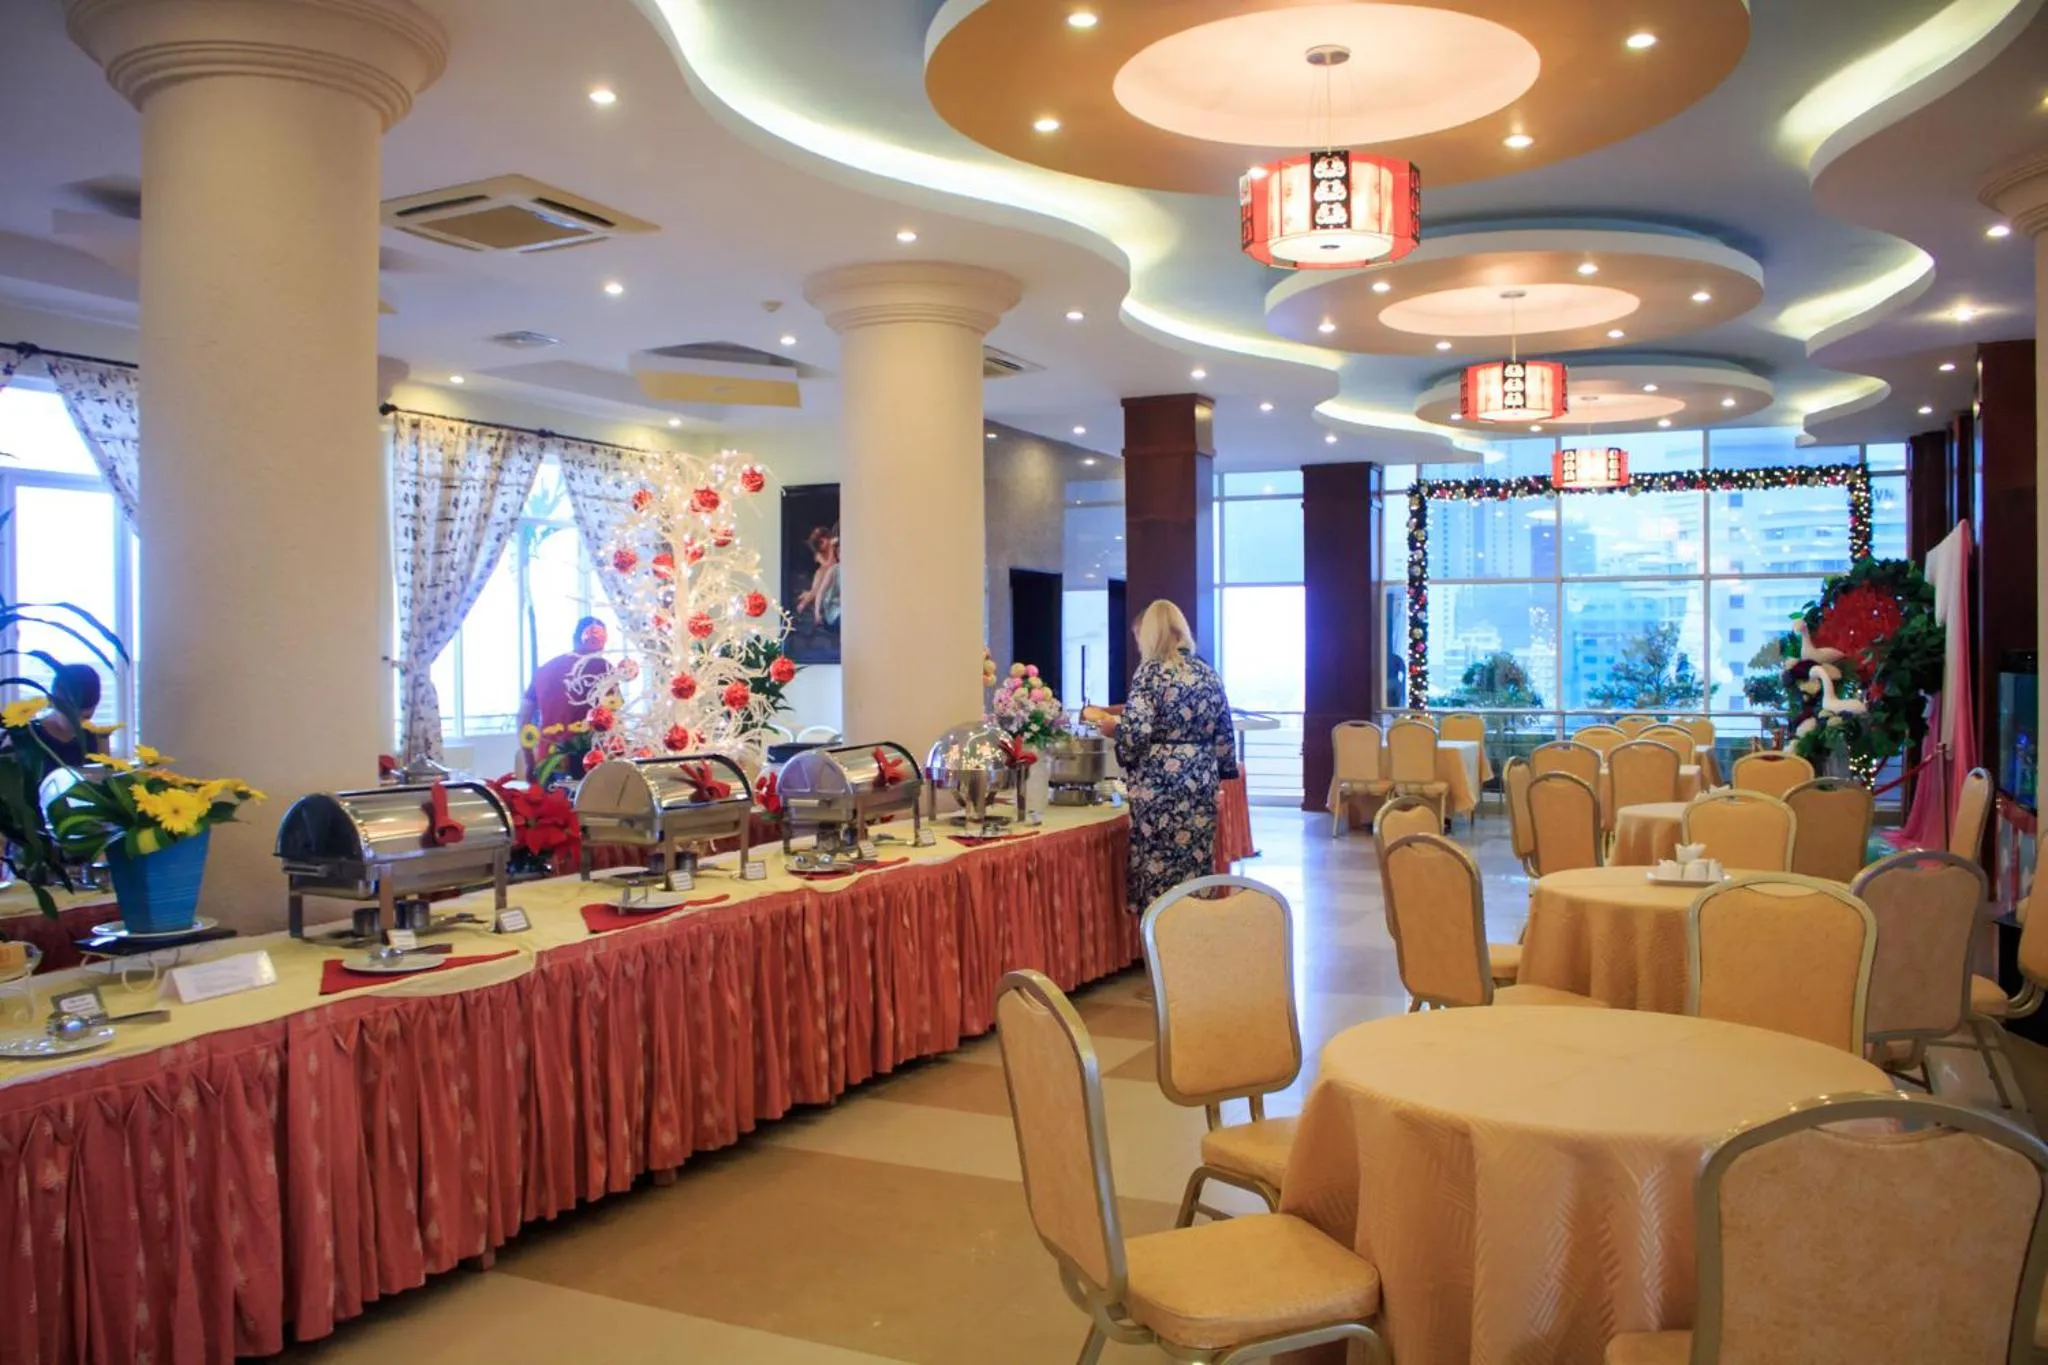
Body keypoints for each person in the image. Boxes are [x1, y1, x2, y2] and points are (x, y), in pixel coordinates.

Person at [1093, 600, 1237, 913]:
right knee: (1195, 858)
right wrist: (1219, 771)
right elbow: (1225, 731)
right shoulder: (1207, 672)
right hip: (1200, 778)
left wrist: (1114, 732)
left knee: (1157, 862)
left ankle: (1161, 940)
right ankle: (1196, 928)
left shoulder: (1150, 674)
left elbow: (1136, 734)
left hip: (1159, 784)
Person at [519, 617, 609, 777]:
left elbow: (523, 718)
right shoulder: (603, 668)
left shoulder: (544, 669)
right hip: (588, 761)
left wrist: (529, 762)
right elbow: (613, 717)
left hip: (548, 761)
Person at [31, 664, 102, 769]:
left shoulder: (95, 736)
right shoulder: (27, 734)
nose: (79, 723)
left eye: (86, 717)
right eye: (72, 717)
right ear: (52, 702)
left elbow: (105, 779)